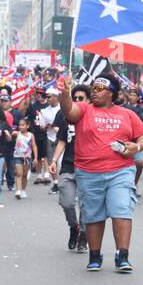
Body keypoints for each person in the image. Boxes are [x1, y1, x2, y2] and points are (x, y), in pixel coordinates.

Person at [58, 73, 143, 273]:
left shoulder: (127, 114)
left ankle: (122, 255)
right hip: (89, 172)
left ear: (112, 93)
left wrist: (136, 146)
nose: (94, 91)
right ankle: (95, 255)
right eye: (93, 87)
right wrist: (65, 93)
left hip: (121, 171)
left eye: (100, 89)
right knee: (93, 215)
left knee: (121, 209)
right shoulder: (84, 109)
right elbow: (69, 110)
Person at [51, 83, 90, 251]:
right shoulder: (64, 114)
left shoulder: (93, 114)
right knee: (67, 202)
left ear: (88, 100)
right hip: (68, 165)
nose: (77, 101)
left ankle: (83, 234)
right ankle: (73, 227)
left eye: (81, 98)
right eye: (75, 98)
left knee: (86, 205)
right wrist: (54, 160)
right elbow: (61, 140)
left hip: (88, 167)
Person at [12, 117, 37, 199]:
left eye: (23, 125)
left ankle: (23, 190)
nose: (21, 127)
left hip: (27, 157)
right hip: (18, 156)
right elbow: (10, 133)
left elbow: (34, 146)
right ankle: (18, 190)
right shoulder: (17, 133)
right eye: (19, 125)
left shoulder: (31, 135)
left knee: (25, 175)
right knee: (19, 173)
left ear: (27, 126)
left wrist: (35, 158)